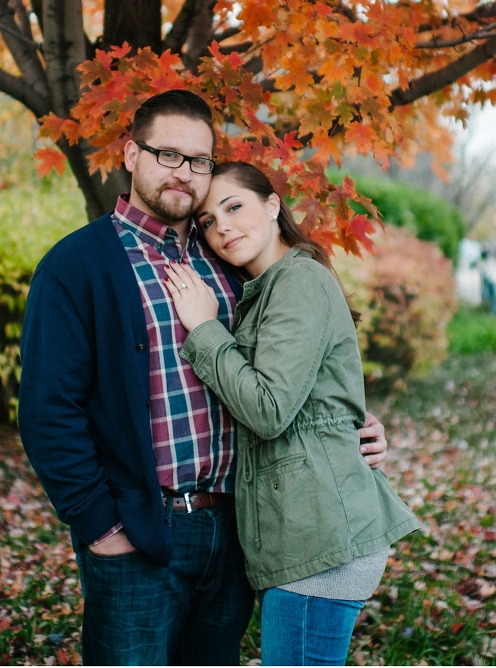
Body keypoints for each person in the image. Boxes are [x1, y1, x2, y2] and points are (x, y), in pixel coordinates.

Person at [19, 90, 390, 667]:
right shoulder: (78, 265)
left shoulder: (229, 262)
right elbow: (47, 411)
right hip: (141, 529)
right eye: (166, 154)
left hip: (237, 530)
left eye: (197, 160)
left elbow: (289, 373)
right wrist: (100, 524)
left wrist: (351, 428)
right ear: (130, 154)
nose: (183, 172)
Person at [164, 161, 419, 667]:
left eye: (234, 207)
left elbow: (269, 408)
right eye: (209, 221)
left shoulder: (297, 280)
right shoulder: (263, 292)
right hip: (302, 533)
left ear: (274, 206)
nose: (223, 228)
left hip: (321, 538)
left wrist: (202, 329)